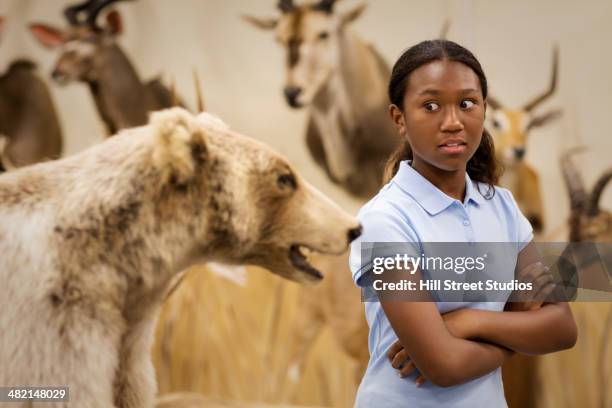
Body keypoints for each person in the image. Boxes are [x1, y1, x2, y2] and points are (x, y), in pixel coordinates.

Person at [348, 40, 577, 407]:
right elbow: (443, 365)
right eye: (431, 106)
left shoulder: (502, 207)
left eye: (467, 103)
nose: (453, 122)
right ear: (399, 118)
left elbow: (562, 328)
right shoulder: (383, 220)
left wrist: (468, 321)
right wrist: (517, 332)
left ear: (483, 110)